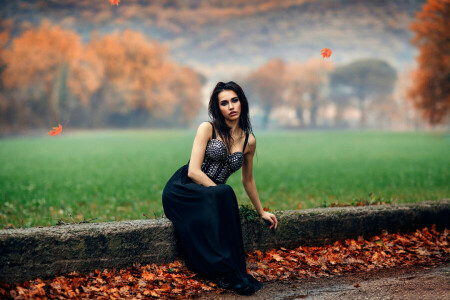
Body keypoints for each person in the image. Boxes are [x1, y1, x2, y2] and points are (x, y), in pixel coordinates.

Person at [162, 81, 278, 296]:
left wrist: (261, 211)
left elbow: (248, 180)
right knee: (224, 192)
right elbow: (194, 172)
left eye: (234, 100)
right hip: (184, 189)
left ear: (242, 102)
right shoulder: (208, 128)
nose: (231, 106)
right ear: (218, 108)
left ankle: (228, 269)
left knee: (224, 195)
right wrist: (217, 193)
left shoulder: (249, 142)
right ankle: (220, 269)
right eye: (224, 103)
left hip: (213, 196)